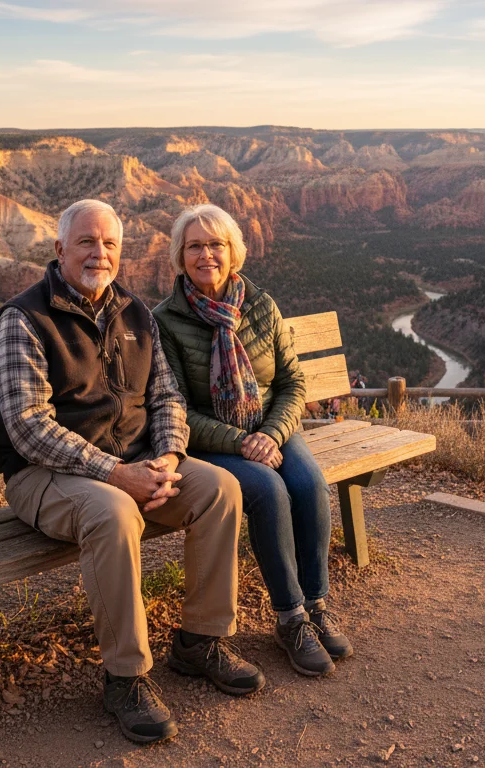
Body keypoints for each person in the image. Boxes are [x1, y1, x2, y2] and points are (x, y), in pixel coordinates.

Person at [0, 199, 264, 746]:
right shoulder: (23, 319)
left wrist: (169, 456)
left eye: (109, 243)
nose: (99, 253)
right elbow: (28, 428)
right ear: (60, 249)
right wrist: (117, 473)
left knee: (220, 489)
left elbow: (167, 398)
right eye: (86, 242)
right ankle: (126, 678)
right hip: (45, 476)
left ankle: (199, 642)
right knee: (112, 513)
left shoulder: (135, 313)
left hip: (133, 466)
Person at [153, 203, 351, 680]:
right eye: (194, 246)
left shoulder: (260, 305)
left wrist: (269, 433)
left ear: (233, 252)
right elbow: (176, 408)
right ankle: (290, 618)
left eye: (215, 245)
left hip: (272, 429)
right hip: (214, 441)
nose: (206, 255)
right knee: (267, 490)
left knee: (307, 483)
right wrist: (243, 443)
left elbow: (292, 385)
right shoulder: (165, 320)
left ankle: (317, 603)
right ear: (181, 256)